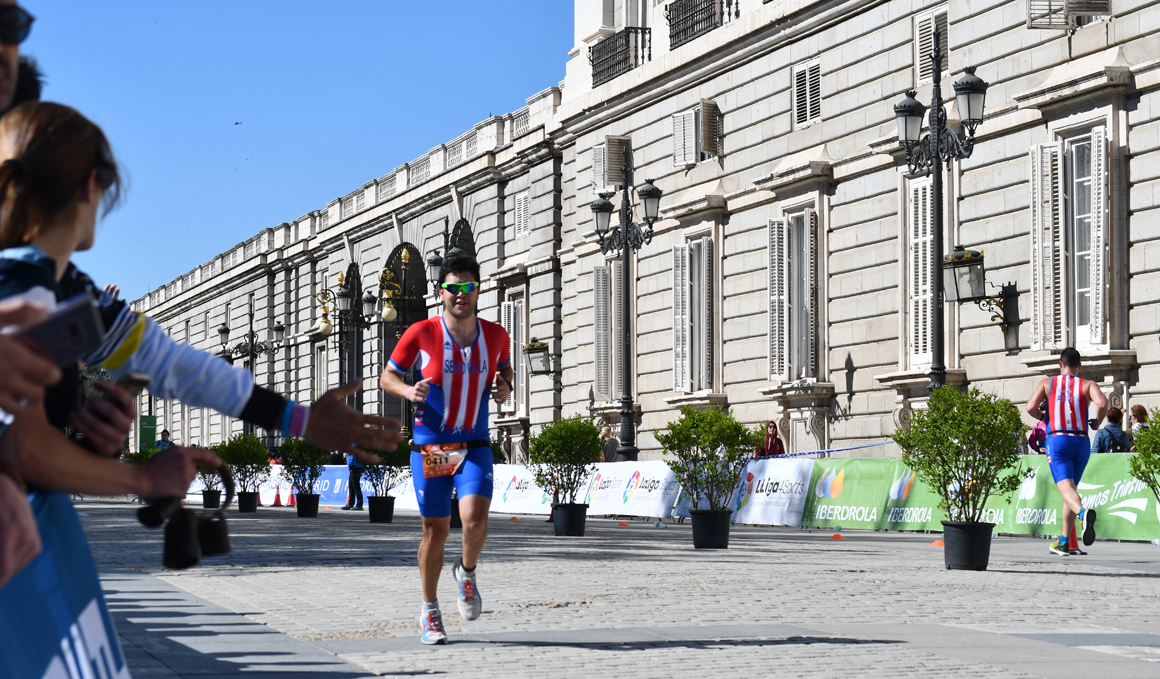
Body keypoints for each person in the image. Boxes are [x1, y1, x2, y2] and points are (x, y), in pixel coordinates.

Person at [0, 102, 402, 678]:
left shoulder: (64, 289)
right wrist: (140, 478)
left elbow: (170, 363)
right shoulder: (28, 285)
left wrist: (298, 420)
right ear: (92, 187)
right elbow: (23, 446)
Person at [380, 254, 512, 645]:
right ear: (441, 292)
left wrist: (506, 386)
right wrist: (408, 389)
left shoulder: (496, 335)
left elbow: (504, 369)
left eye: (467, 287)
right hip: (433, 447)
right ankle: (430, 611)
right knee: (435, 532)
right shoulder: (421, 333)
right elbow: (387, 376)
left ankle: (466, 572)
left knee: (474, 521)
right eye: (453, 288)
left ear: (477, 290)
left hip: (473, 444)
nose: (460, 295)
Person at [1025, 347, 1107, 557]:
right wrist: (1097, 421)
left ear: (1060, 364)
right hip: (1081, 441)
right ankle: (1063, 541)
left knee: (1066, 490)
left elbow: (1030, 407)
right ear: (1079, 366)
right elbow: (1103, 403)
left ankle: (1082, 513)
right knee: (1070, 491)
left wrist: (1043, 416)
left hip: (1058, 439)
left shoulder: (1047, 383)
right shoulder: (1088, 384)